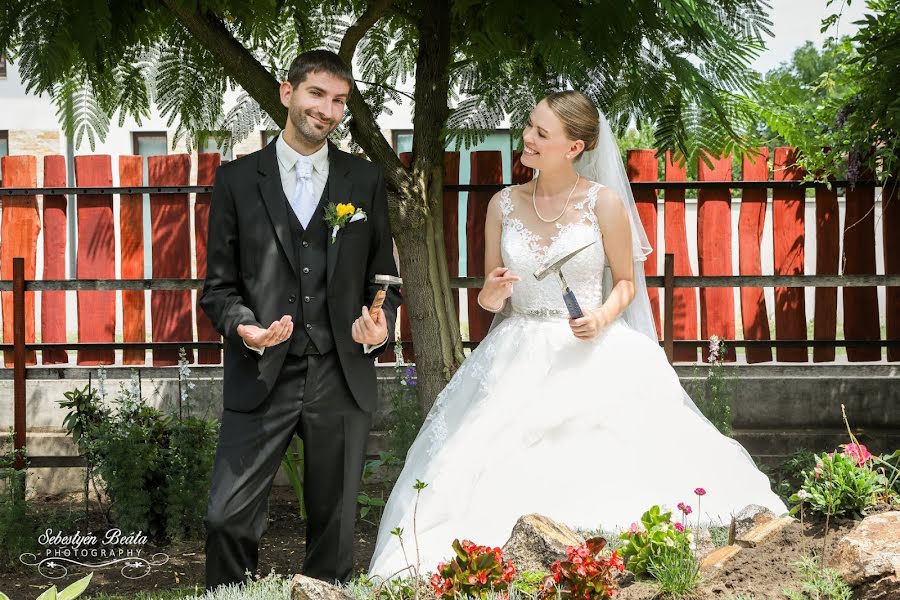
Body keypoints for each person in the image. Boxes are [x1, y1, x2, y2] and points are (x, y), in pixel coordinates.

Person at [367, 90, 786, 581]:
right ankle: (505, 565)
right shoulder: (501, 204)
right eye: (528, 126)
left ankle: (603, 564)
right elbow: (486, 300)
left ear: (574, 147)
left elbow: (628, 283)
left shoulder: (603, 203)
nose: (526, 137)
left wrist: (602, 318)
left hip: (592, 348)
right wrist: (494, 293)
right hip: (515, 353)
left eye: (541, 133)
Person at [200, 49, 402, 590]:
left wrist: (380, 327)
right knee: (226, 517)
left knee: (335, 531)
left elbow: (383, 281)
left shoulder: (364, 180)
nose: (328, 110)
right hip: (262, 371)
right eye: (317, 94)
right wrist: (245, 326)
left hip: (341, 371)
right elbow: (217, 289)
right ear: (288, 93)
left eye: (339, 101)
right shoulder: (237, 181)